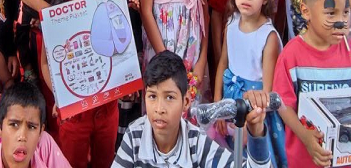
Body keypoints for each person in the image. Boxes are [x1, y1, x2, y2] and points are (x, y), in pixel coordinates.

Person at [272, 0, 351, 168]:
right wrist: (304, 135)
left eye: (345, 12)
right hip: (304, 160)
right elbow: (283, 105)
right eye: (331, 13)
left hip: (345, 159)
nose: (341, 21)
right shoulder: (291, 54)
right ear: (305, 11)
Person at [37, 0, 118, 168]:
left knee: (105, 161)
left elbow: (121, 49)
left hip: (107, 107)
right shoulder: (55, 18)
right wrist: (60, 95)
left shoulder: (109, 5)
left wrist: (125, 77)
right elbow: (46, 64)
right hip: (74, 112)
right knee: (72, 162)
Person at [113, 51, 274, 168]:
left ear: (186, 102)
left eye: (169, 97)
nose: (159, 109)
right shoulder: (135, 135)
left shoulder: (197, 142)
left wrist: (257, 131)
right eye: (152, 97)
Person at [213, 0, 286, 167]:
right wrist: (219, 105)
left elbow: (268, 93)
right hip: (229, 105)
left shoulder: (268, 37)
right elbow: (223, 64)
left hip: (255, 113)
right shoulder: (232, 23)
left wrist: (248, 123)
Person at [107, 0, 145, 148]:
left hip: (143, 59)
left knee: (140, 121)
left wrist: (142, 10)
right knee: (121, 125)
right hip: (118, 66)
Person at [0, 82, 71, 168]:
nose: (22, 136)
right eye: (14, 124)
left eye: (31, 127)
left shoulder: (44, 144)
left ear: (40, 133)